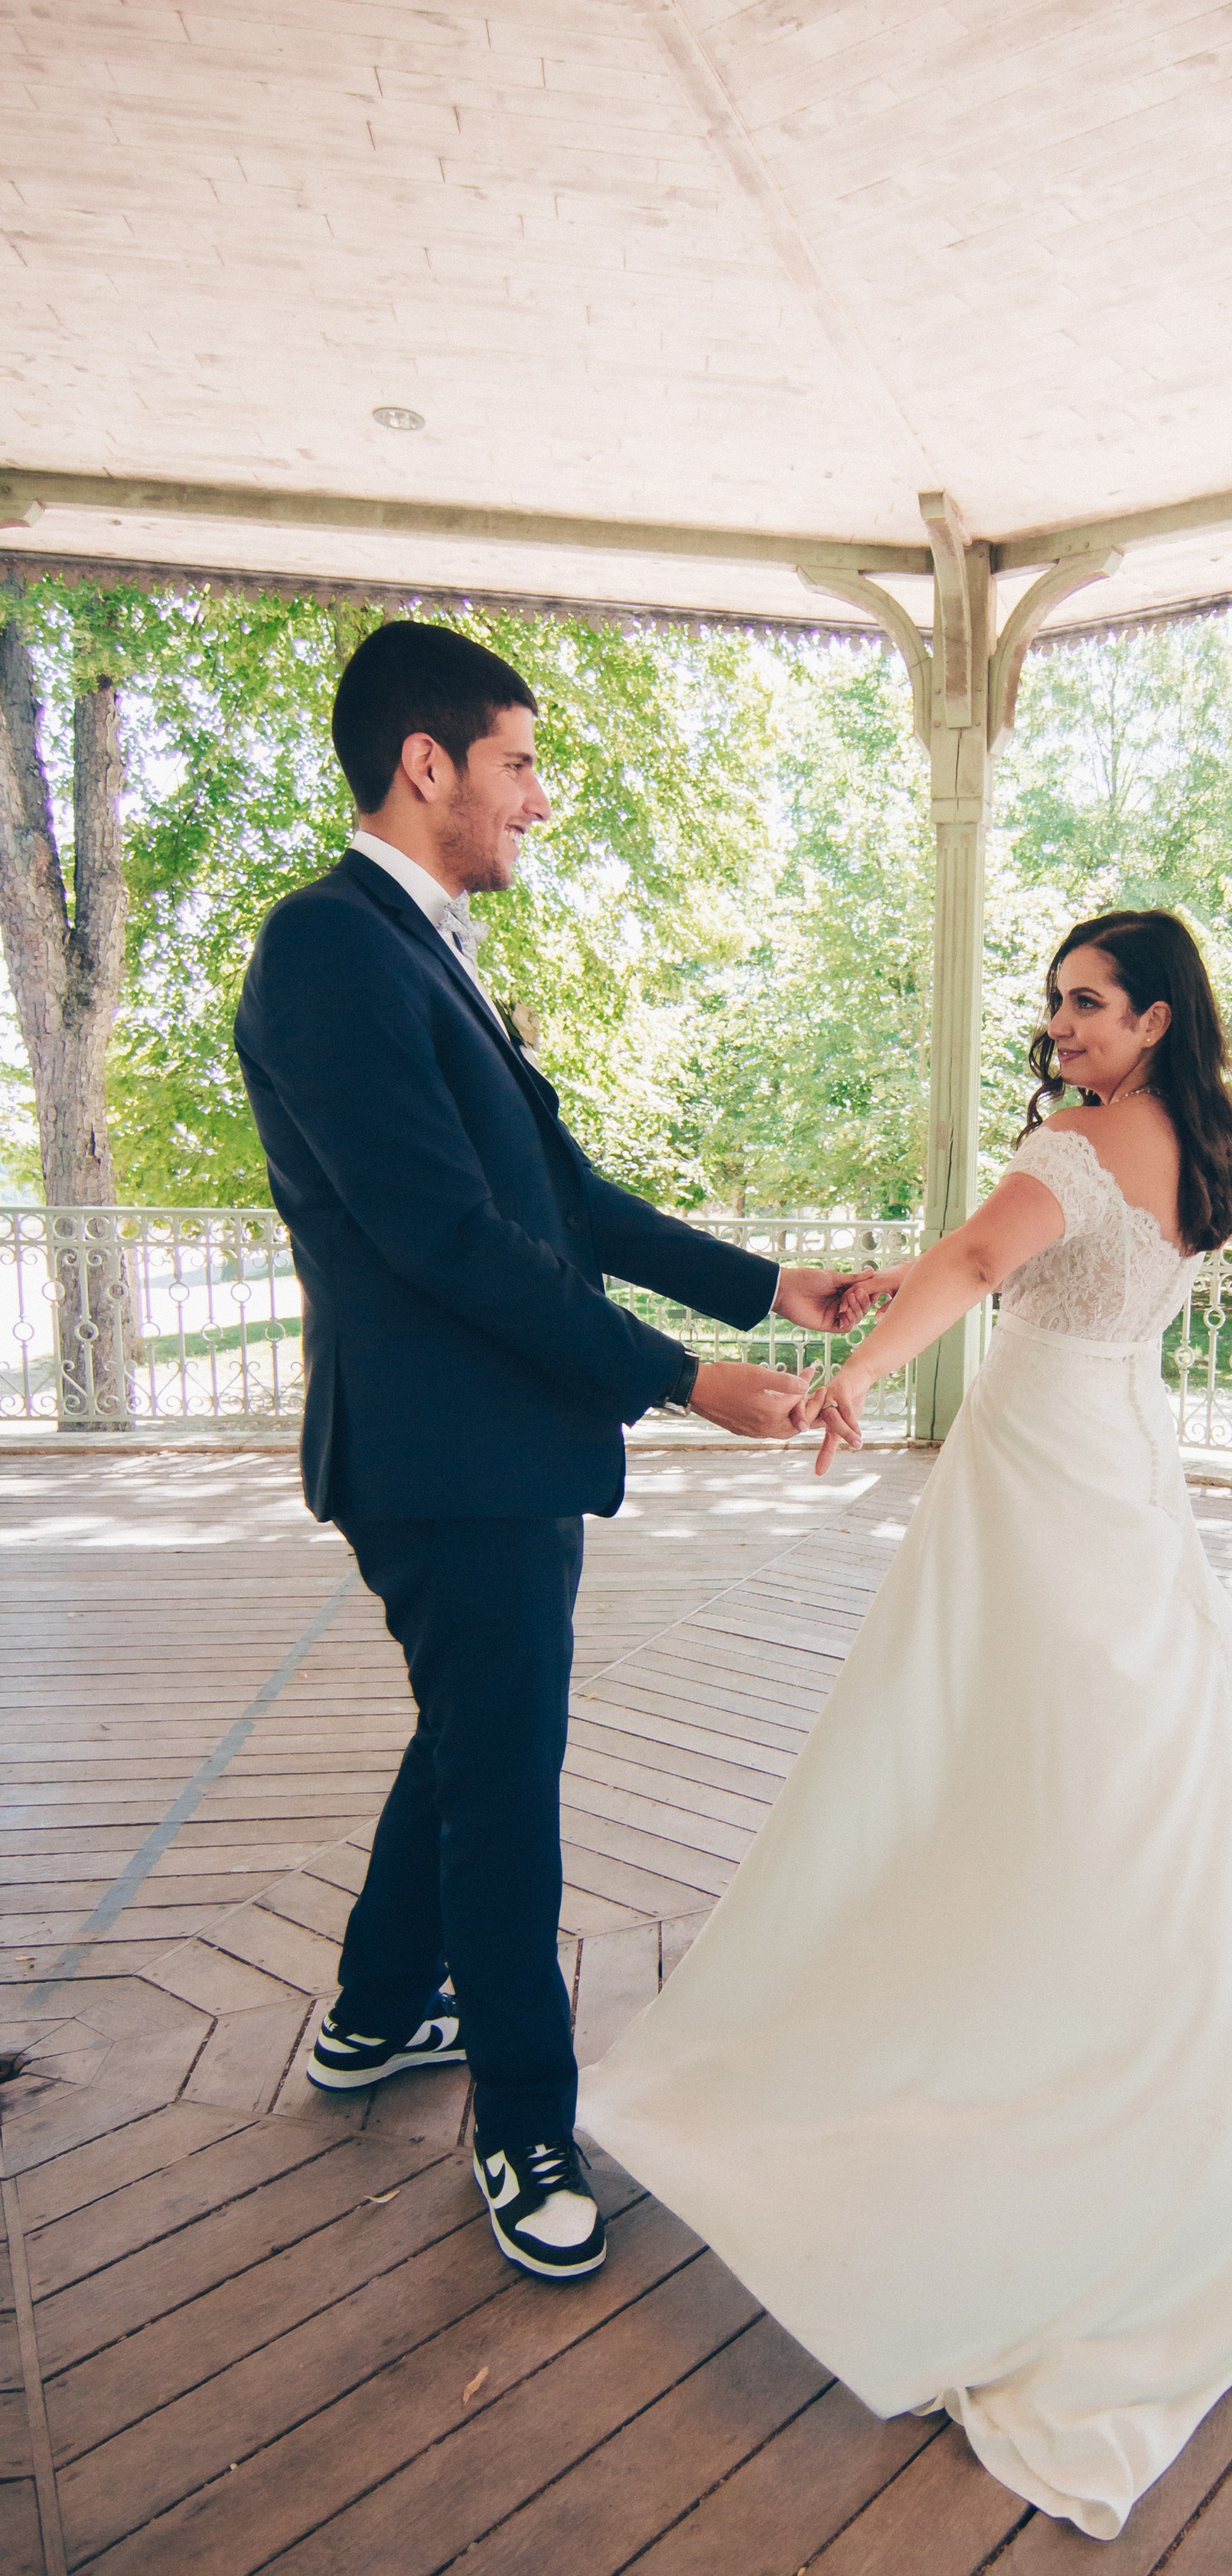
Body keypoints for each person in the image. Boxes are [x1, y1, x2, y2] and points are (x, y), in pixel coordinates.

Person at [581, 911, 1232, 2539]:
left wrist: (857, 1376)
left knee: (1029, 1735)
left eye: (1090, 1003)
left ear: (1157, 1018)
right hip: (1111, 1452)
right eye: (1053, 1004)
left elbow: (975, 1267)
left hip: (1044, 1475)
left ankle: (1039, 2006)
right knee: (1134, 1733)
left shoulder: (1075, 1139)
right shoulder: (1176, 1143)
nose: (1064, 1026)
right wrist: (907, 1291)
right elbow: (1011, 1264)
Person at [235, 619, 878, 2287]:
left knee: (468, 1738)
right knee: (507, 1791)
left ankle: (377, 2017)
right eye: (518, 762)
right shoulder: (323, 953)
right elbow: (448, 1237)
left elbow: (563, 1200)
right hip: (443, 1461)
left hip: (493, 1451)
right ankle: (523, 2123)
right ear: (427, 764)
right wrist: (683, 1378)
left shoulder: (420, 945)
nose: (540, 797)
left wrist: (771, 1289)